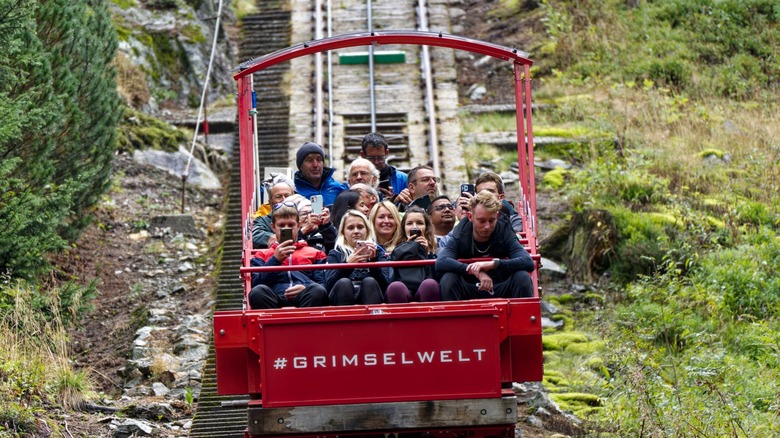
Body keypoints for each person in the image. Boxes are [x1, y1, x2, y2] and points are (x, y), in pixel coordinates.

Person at [436, 191, 534, 300]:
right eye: (481, 221)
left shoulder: (504, 229)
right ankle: (455, 316)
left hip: (501, 285)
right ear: (470, 216)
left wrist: (493, 264)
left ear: (497, 216)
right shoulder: (462, 232)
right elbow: (441, 261)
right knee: (449, 278)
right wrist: (476, 271)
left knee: (522, 277)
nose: (487, 226)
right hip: (470, 286)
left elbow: (527, 261)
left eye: (492, 220)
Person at [247, 203, 328, 309]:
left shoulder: (315, 253)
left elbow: (323, 286)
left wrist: (305, 287)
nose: (286, 229)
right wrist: (275, 260)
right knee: (258, 291)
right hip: (275, 298)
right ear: (273, 227)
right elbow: (256, 285)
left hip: (305, 297)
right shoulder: (262, 255)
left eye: (291, 225)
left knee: (317, 290)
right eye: (281, 225)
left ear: (298, 225)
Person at [324, 210, 390, 305]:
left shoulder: (378, 252)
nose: (356, 231)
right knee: (344, 283)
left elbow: (386, 286)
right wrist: (347, 266)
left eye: (360, 227)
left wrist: (373, 261)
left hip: (370, 296)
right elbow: (329, 286)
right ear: (343, 233)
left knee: (369, 282)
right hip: (342, 297)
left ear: (367, 230)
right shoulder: (335, 253)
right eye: (350, 228)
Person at [386, 207, 440, 303]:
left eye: (420, 223)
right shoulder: (393, 250)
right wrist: (406, 248)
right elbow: (389, 279)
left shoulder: (438, 250)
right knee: (396, 287)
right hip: (402, 290)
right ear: (403, 228)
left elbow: (439, 279)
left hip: (426, 290)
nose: (414, 227)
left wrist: (428, 253)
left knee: (430, 284)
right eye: (409, 223)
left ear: (426, 227)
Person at [455, 171, 523, 233]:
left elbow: (512, 236)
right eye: (481, 192)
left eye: (490, 191)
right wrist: (466, 219)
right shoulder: (469, 215)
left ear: (501, 197)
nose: (485, 195)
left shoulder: (514, 220)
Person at [293, 141, 345, 206]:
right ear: (300, 166)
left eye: (319, 159)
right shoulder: (293, 191)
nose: (315, 165)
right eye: (309, 160)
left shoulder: (339, 188)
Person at [360, 132, 408, 199]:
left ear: (387, 153)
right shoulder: (357, 180)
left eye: (380, 157)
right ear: (362, 155)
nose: (376, 162)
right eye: (371, 158)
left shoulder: (403, 180)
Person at [252, 184, 296, 248]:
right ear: (270, 202)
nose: (284, 200)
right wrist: (273, 237)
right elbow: (256, 235)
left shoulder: (302, 217)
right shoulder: (262, 220)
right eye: (278, 197)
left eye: (287, 196)